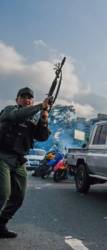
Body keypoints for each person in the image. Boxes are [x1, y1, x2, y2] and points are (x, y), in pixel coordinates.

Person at [0, 87, 50, 238]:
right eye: (23, 97)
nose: (26, 99)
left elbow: (41, 137)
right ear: (17, 99)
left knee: (19, 197)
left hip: (19, 160)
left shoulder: (33, 118)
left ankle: (1, 224)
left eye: (29, 98)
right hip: (2, 156)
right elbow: (17, 116)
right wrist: (40, 106)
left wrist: (44, 119)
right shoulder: (9, 110)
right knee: (3, 193)